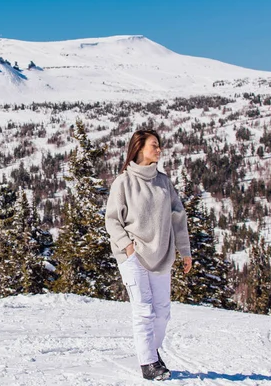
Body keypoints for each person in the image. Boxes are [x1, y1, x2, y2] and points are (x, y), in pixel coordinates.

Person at [105, 129, 192, 381]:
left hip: (161, 254)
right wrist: (127, 246)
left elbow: (179, 218)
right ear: (139, 148)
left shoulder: (164, 182)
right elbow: (112, 221)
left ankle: (151, 352)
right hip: (132, 256)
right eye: (154, 145)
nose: (159, 149)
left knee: (163, 312)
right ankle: (148, 364)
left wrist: (184, 251)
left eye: (159, 145)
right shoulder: (124, 182)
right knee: (143, 310)